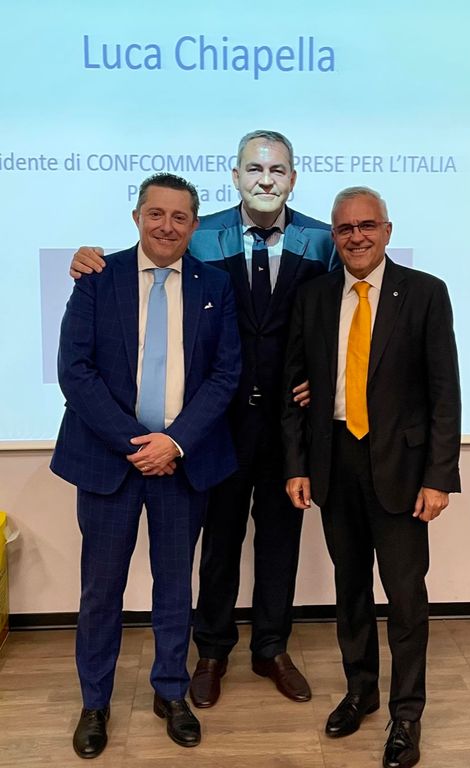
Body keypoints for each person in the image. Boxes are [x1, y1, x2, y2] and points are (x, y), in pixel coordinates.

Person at [69, 129, 338, 709]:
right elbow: (146, 279)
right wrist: (88, 257)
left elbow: (340, 310)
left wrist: (331, 377)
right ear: (235, 176)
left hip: (288, 422)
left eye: (278, 170)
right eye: (254, 169)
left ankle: (271, 647)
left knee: (281, 539)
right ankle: (211, 651)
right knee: (217, 542)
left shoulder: (323, 240)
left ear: (293, 178)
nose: (266, 179)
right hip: (215, 427)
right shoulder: (201, 234)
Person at [51, 173, 241, 758]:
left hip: (182, 464)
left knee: (175, 587)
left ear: (195, 225)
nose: (166, 226)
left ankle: (171, 692)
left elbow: (225, 374)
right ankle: (95, 702)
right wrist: (137, 443)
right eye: (156, 214)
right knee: (101, 590)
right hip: (110, 462)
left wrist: (174, 443)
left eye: (180, 217)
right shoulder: (96, 278)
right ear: (137, 217)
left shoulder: (216, 285)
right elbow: (75, 371)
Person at [282, 186, 461, 768]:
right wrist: (297, 465)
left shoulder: (426, 293)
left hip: (402, 472)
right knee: (350, 588)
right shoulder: (313, 297)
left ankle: (406, 716)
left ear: (387, 230)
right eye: (345, 229)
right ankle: (361, 691)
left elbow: (444, 394)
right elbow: (294, 390)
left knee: (405, 597)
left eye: (367, 226)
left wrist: (439, 477)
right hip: (334, 462)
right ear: (334, 237)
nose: (356, 236)